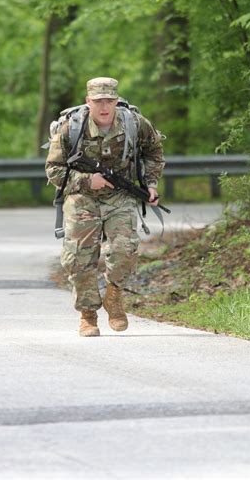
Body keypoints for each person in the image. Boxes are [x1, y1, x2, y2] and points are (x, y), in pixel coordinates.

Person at [45, 76, 165, 337]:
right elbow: (53, 170)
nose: (104, 106)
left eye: (109, 100)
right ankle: (88, 315)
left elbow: (154, 152)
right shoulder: (71, 128)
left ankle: (114, 296)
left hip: (120, 196)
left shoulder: (134, 124)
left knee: (125, 249)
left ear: (116, 100)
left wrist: (151, 184)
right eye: (98, 101)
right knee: (78, 258)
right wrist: (88, 180)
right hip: (81, 197)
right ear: (88, 102)